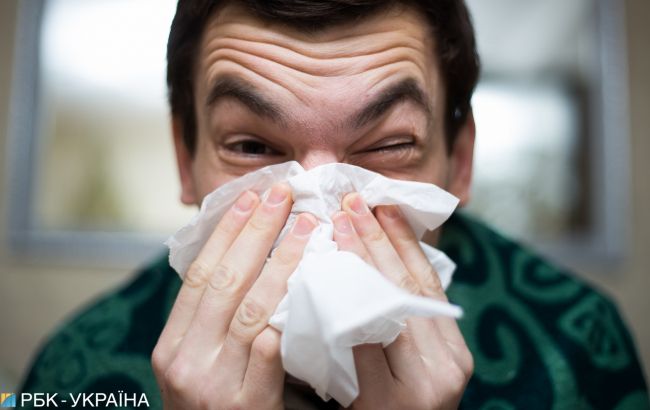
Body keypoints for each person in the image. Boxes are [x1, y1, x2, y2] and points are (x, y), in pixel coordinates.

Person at [20, 0, 649, 409]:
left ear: (459, 161)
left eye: (388, 146)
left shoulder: (579, 353)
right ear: (186, 162)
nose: (317, 210)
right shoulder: (74, 374)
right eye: (253, 146)